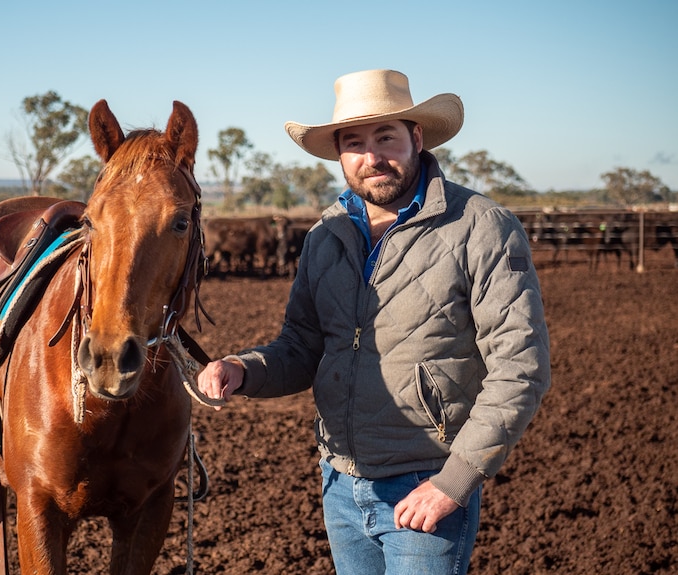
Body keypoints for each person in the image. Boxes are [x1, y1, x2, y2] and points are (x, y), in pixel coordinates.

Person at [197, 69, 551, 574]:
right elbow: (302, 345)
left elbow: (521, 368)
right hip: (341, 484)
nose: (373, 156)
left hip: (426, 482)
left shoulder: (480, 226)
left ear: (416, 138)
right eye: (355, 143)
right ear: (339, 155)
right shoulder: (327, 234)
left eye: (386, 137)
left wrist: (454, 483)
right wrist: (244, 369)